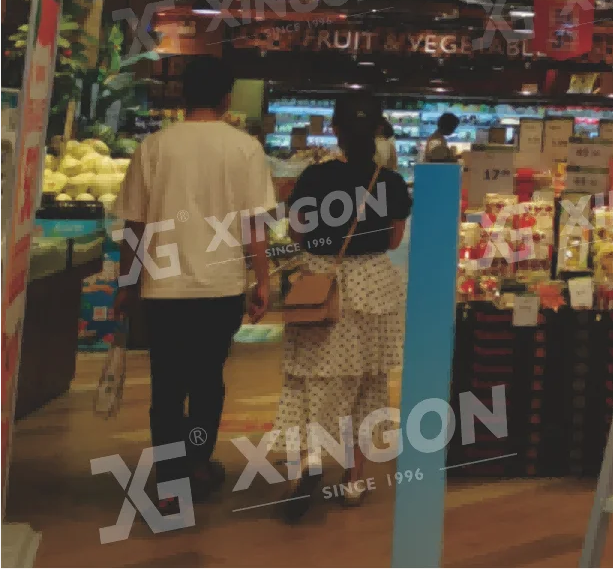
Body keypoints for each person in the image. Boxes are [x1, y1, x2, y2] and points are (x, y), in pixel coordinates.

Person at [114, 56, 274, 513]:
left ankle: (169, 482)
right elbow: (254, 226)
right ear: (227, 97)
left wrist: (127, 283)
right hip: (220, 288)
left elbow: (134, 224)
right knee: (207, 384)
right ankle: (199, 463)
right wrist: (262, 281)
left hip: (162, 289)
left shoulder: (154, 147)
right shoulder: (245, 149)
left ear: (183, 95)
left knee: (166, 386)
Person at [276, 91, 412, 520]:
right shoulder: (390, 182)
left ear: (335, 130)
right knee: (367, 383)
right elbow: (394, 239)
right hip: (373, 285)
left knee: (309, 377)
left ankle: (311, 459)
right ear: (378, 131)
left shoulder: (314, 177)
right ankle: (354, 479)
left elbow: (298, 234)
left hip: (323, 284)